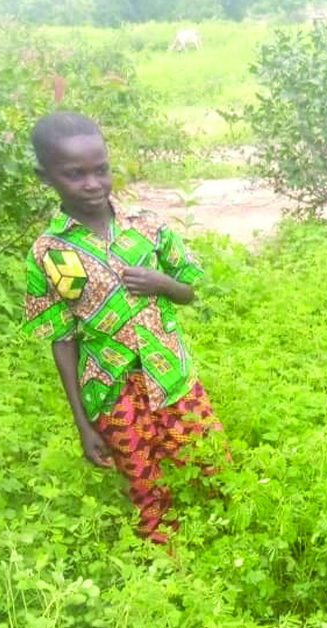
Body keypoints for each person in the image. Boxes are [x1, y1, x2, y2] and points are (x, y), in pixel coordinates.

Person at [23, 111, 222, 544]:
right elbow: (62, 340)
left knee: (213, 468)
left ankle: (226, 544)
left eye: (101, 170)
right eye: (75, 174)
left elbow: (190, 290)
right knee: (146, 491)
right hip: (111, 392)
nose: (92, 183)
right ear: (46, 176)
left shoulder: (149, 226)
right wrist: (83, 422)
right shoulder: (48, 252)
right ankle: (166, 566)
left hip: (173, 376)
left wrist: (164, 284)